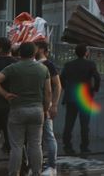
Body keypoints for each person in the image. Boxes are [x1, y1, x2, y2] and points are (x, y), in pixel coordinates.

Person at [0, 41, 51, 176]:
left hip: (17, 110)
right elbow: (48, 93)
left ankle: (14, 173)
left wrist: (5, 94)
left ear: (20, 53)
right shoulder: (43, 69)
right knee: (36, 145)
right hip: (37, 110)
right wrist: (46, 110)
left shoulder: (13, 68)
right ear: (34, 53)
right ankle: (36, 172)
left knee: (16, 146)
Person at [60, 43, 100, 155]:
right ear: (86, 52)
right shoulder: (90, 64)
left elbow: (61, 78)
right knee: (84, 124)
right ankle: (84, 147)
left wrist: (65, 88)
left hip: (71, 97)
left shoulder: (68, 65)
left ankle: (67, 146)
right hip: (85, 96)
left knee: (69, 123)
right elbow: (97, 77)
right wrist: (95, 89)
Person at [0, 38, 16, 176]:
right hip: (12, 109)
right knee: (14, 142)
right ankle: (16, 169)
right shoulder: (17, 65)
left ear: (0, 48)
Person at [34, 41, 61, 175]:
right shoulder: (32, 64)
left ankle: (52, 166)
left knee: (48, 135)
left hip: (45, 105)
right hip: (35, 105)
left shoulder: (48, 65)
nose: (34, 49)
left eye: (36, 47)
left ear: (42, 49)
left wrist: (54, 104)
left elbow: (57, 85)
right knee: (36, 138)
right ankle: (38, 166)